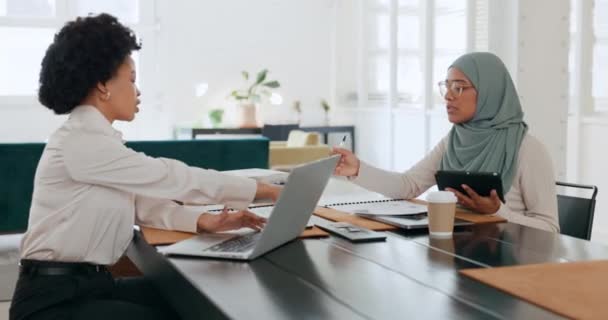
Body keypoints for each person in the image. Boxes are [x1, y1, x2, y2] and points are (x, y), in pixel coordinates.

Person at [10, 13, 280, 320]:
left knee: (184, 297)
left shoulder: (98, 140)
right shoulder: (81, 141)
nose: (138, 92)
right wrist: (263, 190)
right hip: (52, 302)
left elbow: (144, 205)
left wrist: (206, 221)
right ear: (102, 86)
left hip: (90, 286)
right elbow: (170, 177)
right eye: (132, 80)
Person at [333, 52, 559, 233]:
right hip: (461, 254)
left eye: (459, 87)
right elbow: (408, 185)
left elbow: (550, 229)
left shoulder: (527, 149)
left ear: (490, 91)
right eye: (447, 86)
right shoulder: (454, 140)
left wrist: (498, 210)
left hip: (510, 265)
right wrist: (358, 169)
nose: (448, 96)